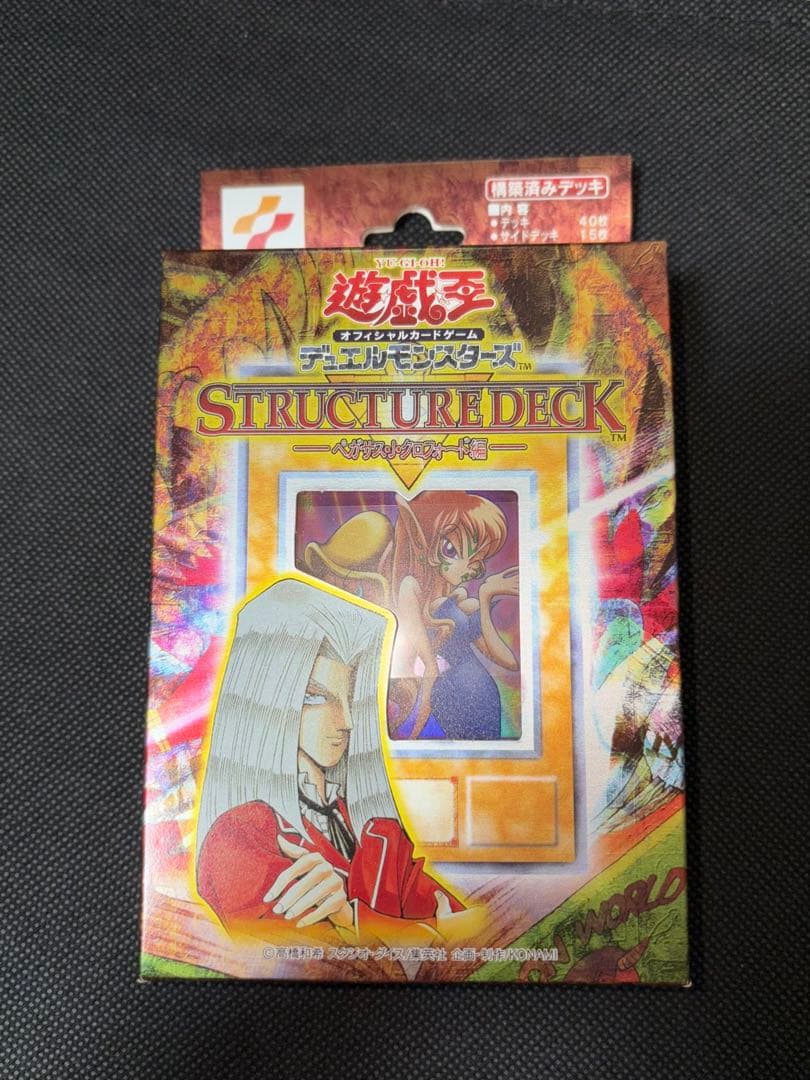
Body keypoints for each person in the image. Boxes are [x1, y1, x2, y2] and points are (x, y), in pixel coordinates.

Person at [195, 577, 466, 943]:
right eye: (316, 697)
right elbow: (307, 962)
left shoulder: (377, 832)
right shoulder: (241, 836)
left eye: (350, 698)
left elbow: (472, 931)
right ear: (269, 698)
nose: (347, 721)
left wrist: (351, 918)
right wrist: (420, 932)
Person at [389, 491, 519, 740]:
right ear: (430, 545)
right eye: (453, 549)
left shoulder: (460, 602)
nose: (473, 566)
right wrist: (412, 736)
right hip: (452, 700)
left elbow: (508, 661)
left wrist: (486, 596)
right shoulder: (411, 588)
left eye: (479, 558)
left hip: (484, 698)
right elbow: (430, 670)